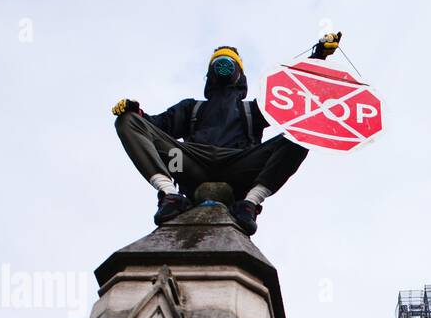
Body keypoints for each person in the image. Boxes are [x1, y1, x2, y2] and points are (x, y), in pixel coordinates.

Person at [112, 33, 342, 235]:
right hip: (186, 164)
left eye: (230, 62)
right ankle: (169, 194)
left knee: (304, 132)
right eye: (219, 62)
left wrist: (317, 57)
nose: (223, 66)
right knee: (128, 122)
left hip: (240, 166)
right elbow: (154, 126)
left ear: (240, 74)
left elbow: (294, 95)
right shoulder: (191, 108)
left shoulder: (255, 109)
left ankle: (251, 203)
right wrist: (135, 112)